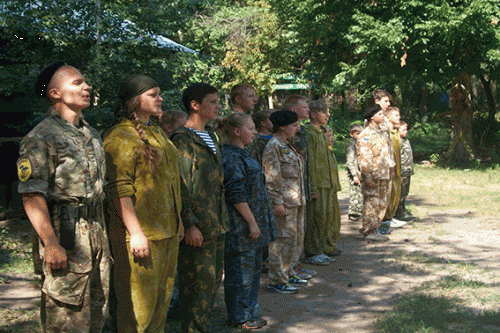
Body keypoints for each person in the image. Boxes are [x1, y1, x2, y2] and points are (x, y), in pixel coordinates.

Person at [17, 61, 112, 332]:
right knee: (66, 312)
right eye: (77, 82)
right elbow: (32, 194)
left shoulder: (91, 134)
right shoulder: (41, 137)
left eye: (85, 82)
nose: (86, 87)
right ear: (55, 93)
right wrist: (51, 242)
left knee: (96, 309)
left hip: (96, 231)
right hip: (66, 233)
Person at [103, 74, 183, 332]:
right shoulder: (120, 137)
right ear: (134, 100)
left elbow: (170, 182)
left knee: (160, 305)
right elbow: (118, 190)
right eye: (153, 94)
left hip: (166, 232)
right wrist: (136, 233)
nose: (160, 99)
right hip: (139, 236)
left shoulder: (156, 133)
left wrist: (178, 222)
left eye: (159, 93)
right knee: (138, 311)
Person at [170, 83, 228, 333]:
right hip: (198, 225)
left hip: (216, 223)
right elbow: (180, 185)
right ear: (195, 105)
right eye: (213, 102)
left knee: (212, 282)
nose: (218, 106)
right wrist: (190, 223)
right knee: (196, 285)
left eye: (218, 101)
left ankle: (200, 326)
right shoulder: (183, 139)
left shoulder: (211, 135)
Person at [220, 112, 276, 330]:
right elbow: (236, 195)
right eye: (250, 128)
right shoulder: (231, 157)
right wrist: (252, 223)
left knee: (251, 273)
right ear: (236, 131)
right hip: (240, 228)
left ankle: (248, 312)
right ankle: (239, 316)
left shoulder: (243, 154)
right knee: (240, 274)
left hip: (251, 227)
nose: (255, 132)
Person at [263, 110, 307, 294]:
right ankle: (276, 280)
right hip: (284, 202)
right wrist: (277, 202)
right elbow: (272, 176)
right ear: (282, 127)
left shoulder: (287, 145)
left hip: (296, 200)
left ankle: (288, 273)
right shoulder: (273, 146)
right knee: (281, 242)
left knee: (294, 240)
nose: (297, 129)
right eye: (293, 125)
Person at [281, 95, 316, 279]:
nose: (309, 110)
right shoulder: (282, 140)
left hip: (300, 190)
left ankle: (295, 266)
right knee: (288, 236)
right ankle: (285, 272)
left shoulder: (302, 133)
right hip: (288, 195)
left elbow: (305, 166)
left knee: (298, 234)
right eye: (305, 106)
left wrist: (309, 189)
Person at [302, 100, 341, 266]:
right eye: (324, 112)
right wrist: (312, 187)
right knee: (316, 219)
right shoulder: (310, 134)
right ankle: (313, 252)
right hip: (318, 184)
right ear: (313, 114)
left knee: (327, 218)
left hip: (327, 183)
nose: (328, 115)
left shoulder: (322, 133)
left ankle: (322, 248)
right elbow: (309, 163)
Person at [357, 105, 395, 241]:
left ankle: (376, 227)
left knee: (382, 202)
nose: (383, 117)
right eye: (380, 114)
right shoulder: (365, 135)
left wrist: (392, 168)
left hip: (385, 172)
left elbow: (388, 152)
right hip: (373, 175)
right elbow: (364, 157)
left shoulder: (383, 132)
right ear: (372, 117)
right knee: (372, 202)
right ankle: (370, 230)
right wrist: (366, 176)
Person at [381, 106, 407, 230]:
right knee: (388, 195)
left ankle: (390, 217)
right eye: (396, 115)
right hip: (388, 171)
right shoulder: (386, 133)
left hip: (396, 170)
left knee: (395, 195)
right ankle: (385, 220)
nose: (399, 117)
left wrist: (399, 172)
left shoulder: (395, 133)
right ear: (388, 117)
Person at [395, 121, 414, 220]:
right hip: (401, 171)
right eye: (403, 130)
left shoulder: (406, 140)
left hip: (408, 171)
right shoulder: (398, 141)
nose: (406, 131)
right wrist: (399, 173)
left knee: (405, 192)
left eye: (406, 129)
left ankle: (402, 210)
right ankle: (398, 213)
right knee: (400, 193)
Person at [346, 124, 364, 221]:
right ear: (352, 134)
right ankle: (354, 213)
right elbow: (350, 161)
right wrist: (354, 175)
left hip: (360, 173)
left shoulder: (359, 143)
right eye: (358, 133)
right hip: (354, 174)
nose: (360, 135)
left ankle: (359, 211)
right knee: (355, 193)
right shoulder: (351, 145)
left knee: (360, 193)